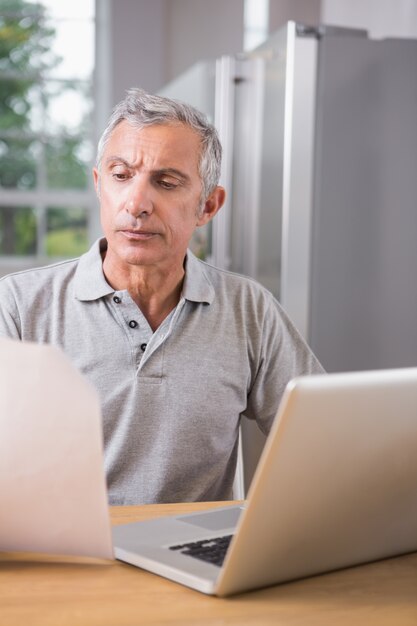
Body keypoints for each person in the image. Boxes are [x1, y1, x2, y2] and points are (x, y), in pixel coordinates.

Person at [0, 88, 323, 505]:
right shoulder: (19, 305)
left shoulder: (249, 309)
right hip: (63, 558)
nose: (136, 203)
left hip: (192, 558)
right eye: (120, 176)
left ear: (207, 205)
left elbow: (323, 441)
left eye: (166, 182)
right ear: (99, 185)